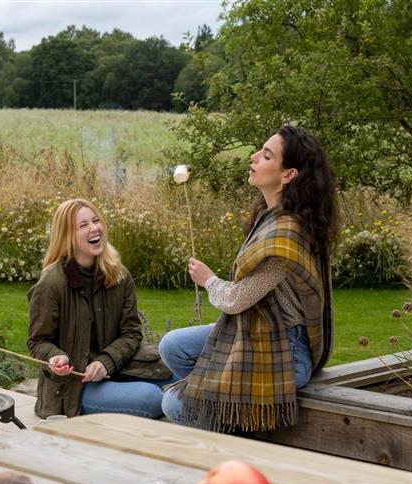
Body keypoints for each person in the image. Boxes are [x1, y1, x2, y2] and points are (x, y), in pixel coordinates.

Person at [159, 124, 339, 433]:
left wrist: (208, 280)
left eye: (266, 155)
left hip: (286, 349)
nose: (254, 157)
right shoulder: (269, 217)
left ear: (288, 175)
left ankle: (242, 428)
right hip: (254, 332)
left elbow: (236, 299)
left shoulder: (289, 232)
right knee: (172, 346)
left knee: (173, 406)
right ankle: (224, 403)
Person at [27, 198, 173, 419]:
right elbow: (38, 342)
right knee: (150, 398)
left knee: (182, 377)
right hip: (75, 388)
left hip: (118, 370)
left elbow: (131, 333)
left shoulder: (118, 274)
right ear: (67, 235)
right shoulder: (51, 283)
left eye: (96, 221)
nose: (94, 228)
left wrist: (105, 362)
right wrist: (56, 357)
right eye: (83, 225)